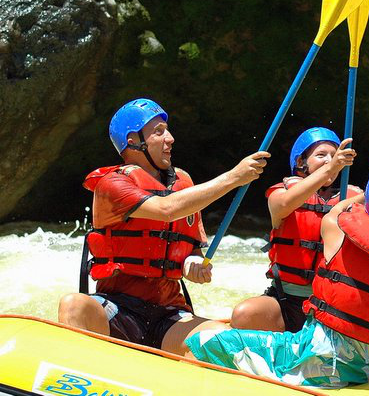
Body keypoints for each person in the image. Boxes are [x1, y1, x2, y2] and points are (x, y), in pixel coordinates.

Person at [186, 156, 369, 388]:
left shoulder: (337, 230)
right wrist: (367, 366)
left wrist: (362, 196)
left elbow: (336, 212)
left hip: (306, 354)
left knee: (201, 342)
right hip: (364, 368)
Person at [57, 98, 269, 354]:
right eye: (158, 132)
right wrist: (234, 177)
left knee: (223, 341)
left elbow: (191, 251)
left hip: (168, 315)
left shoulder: (184, 183)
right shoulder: (112, 185)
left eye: (167, 130)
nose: (170, 138)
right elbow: (166, 209)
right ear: (133, 141)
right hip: (118, 308)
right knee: (73, 304)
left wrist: (192, 266)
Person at [230, 127, 361, 332]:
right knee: (244, 314)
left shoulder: (352, 199)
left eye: (334, 156)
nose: (329, 160)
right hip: (285, 300)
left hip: (330, 304)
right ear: (301, 162)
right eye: (321, 155)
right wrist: (330, 167)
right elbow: (284, 205)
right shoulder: (281, 193)